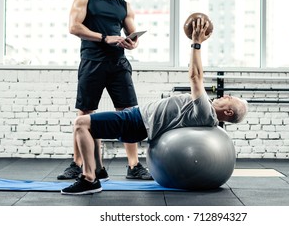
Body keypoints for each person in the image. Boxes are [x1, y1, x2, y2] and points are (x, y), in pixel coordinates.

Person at [61, 16, 249, 195]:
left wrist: (196, 43)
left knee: (81, 123)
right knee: (90, 126)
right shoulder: (205, 112)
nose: (226, 95)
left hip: (136, 122)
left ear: (228, 111)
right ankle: (98, 171)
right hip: (136, 117)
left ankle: (89, 179)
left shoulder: (206, 112)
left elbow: (195, 76)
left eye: (230, 98)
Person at [57, 0, 152, 182]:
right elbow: (74, 27)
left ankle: (134, 165)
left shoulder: (124, 6)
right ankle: (78, 164)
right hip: (92, 62)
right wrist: (103, 37)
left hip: (118, 64)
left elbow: (132, 34)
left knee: (129, 114)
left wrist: (133, 43)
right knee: (85, 113)